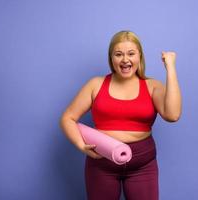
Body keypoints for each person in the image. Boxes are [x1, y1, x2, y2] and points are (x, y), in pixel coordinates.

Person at [60, 30, 182, 200]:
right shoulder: (96, 84)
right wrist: (81, 145)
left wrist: (170, 67)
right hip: (101, 162)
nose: (125, 59)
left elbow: (173, 115)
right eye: (118, 54)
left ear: (139, 56)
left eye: (131, 54)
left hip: (143, 165)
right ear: (111, 58)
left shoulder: (152, 86)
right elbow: (68, 118)